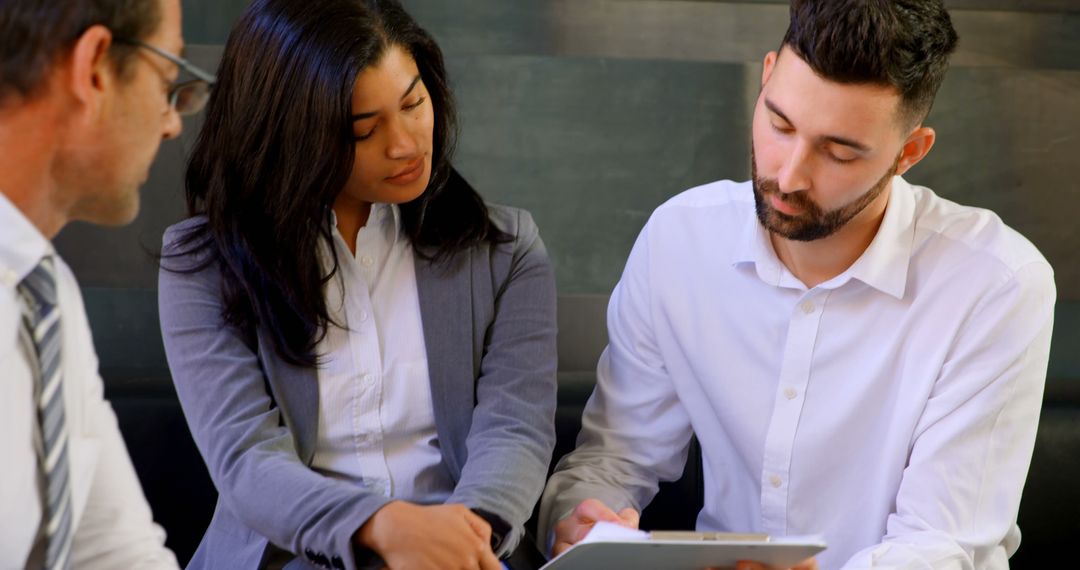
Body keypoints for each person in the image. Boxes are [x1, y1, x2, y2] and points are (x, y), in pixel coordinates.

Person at [539, 1, 1055, 569]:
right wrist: (581, 520)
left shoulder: (995, 283)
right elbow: (615, 460)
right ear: (765, 76)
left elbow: (942, 543)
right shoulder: (679, 240)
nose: (787, 175)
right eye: (779, 124)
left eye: (839, 152)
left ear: (909, 152)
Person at [156, 0, 558, 568]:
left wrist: (461, 539)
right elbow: (248, 460)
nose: (405, 143)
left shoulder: (506, 249)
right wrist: (385, 531)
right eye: (362, 130)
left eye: (414, 103)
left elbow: (515, 430)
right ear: (289, 137)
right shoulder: (203, 265)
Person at [0, 0, 211, 567]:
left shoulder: (45, 294)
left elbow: (113, 549)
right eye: (168, 82)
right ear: (93, 67)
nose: (172, 123)